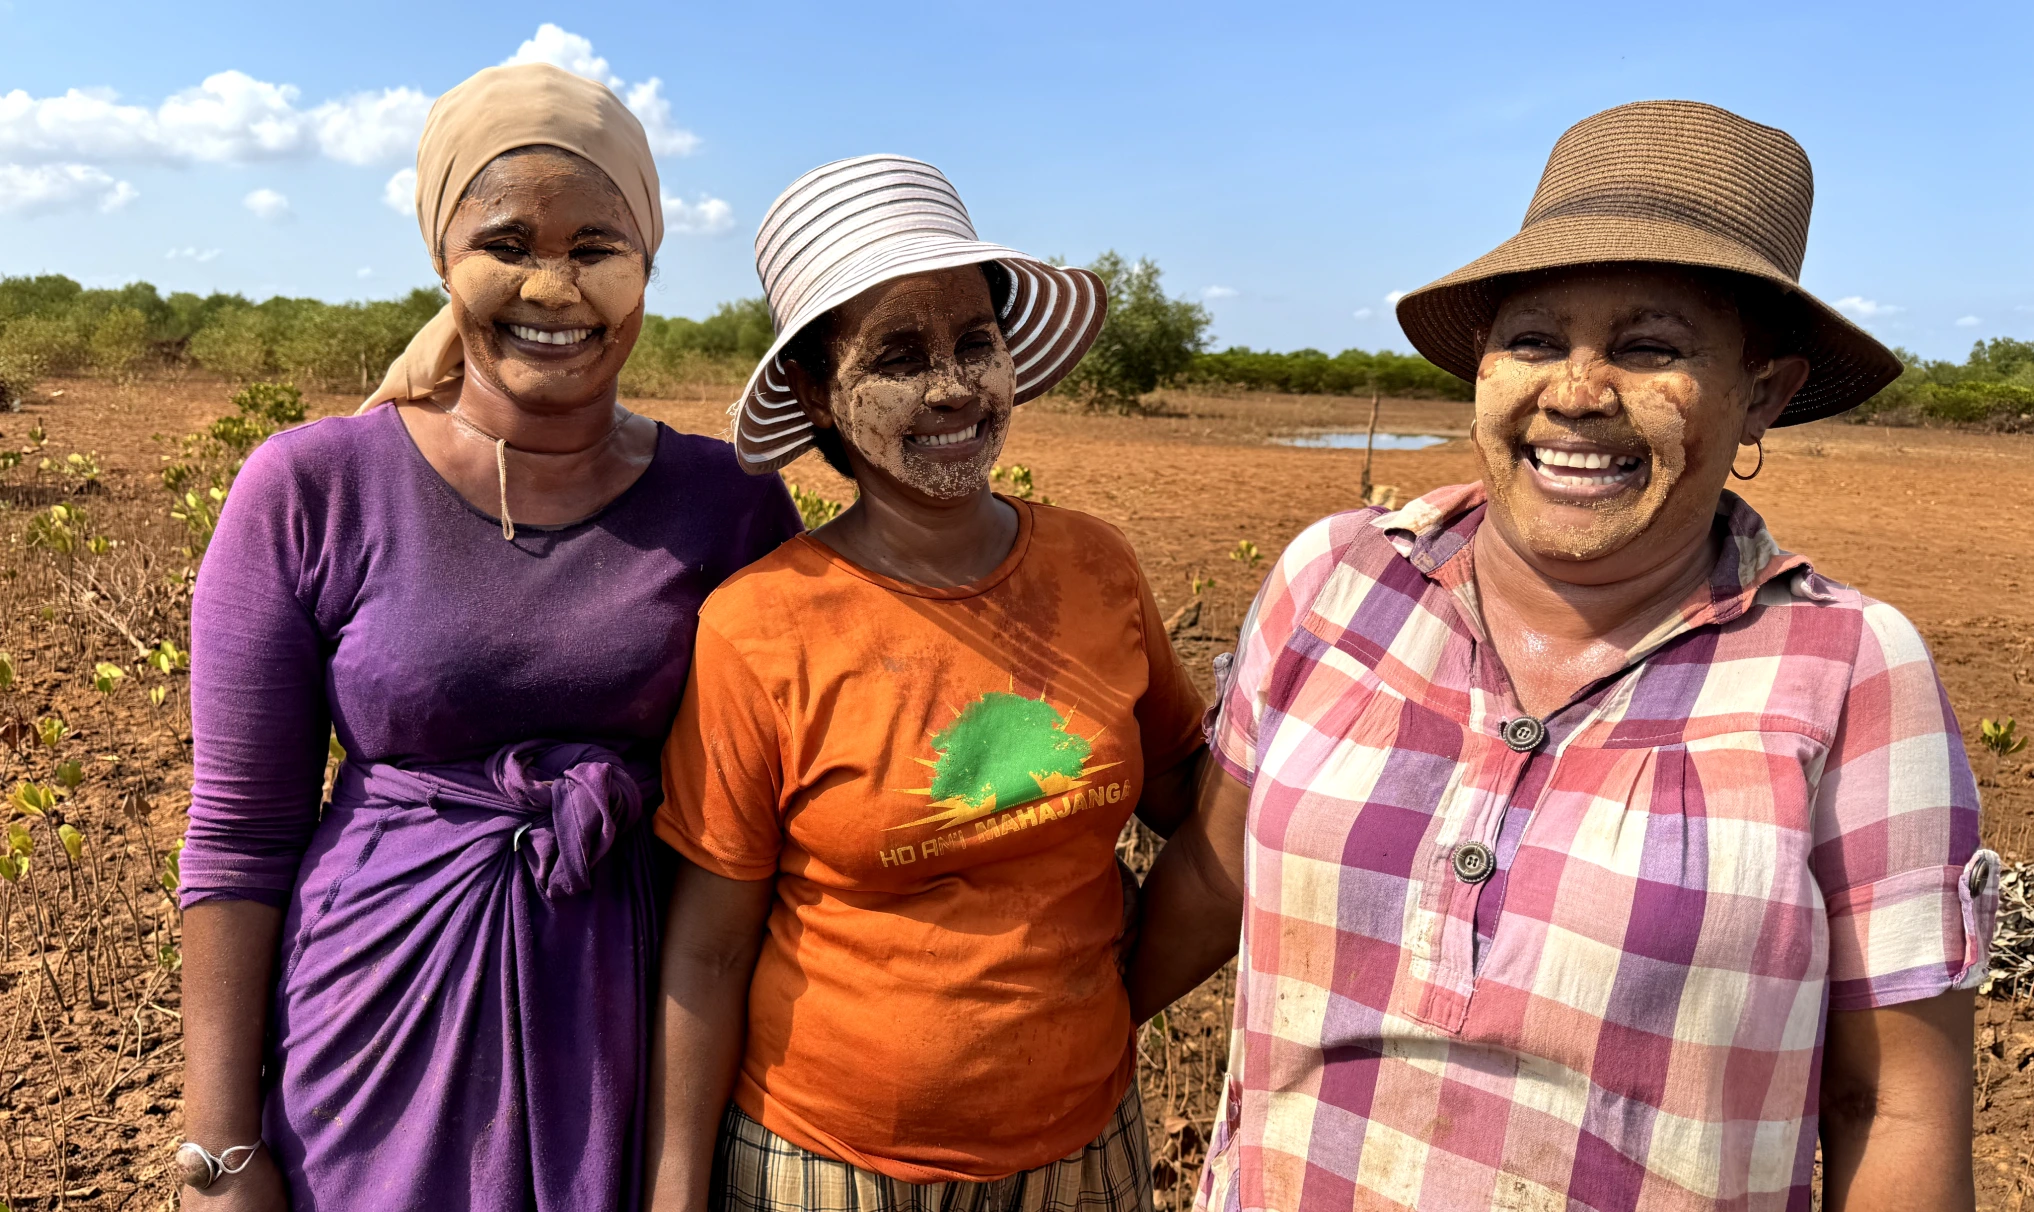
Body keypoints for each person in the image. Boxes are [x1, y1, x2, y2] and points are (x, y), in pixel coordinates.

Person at [1132, 101, 1999, 1212]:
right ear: (1486, 367)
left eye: (1651, 348)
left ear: (1760, 397)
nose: (1578, 392)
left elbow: (1891, 1107)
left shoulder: (1847, 670)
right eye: (1536, 338)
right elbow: (1214, 873)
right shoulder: (1340, 580)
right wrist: (1037, 1050)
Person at [175, 63, 800, 1210]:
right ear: (441, 257)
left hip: (631, 1032)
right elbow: (238, 837)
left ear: (648, 261)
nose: (554, 287)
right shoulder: (312, 489)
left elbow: (760, 839)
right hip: (373, 1024)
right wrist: (220, 1154)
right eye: (507, 241)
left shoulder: (733, 506)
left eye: (597, 245)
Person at [642, 155, 1206, 1212]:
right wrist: (675, 1191)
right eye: (898, 357)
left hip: (1092, 1142)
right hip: (827, 1163)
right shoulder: (761, 626)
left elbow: (1196, 797)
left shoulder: (1096, 566)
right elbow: (710, 951)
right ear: (813, 389)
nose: (952, 386)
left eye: (974, 344)